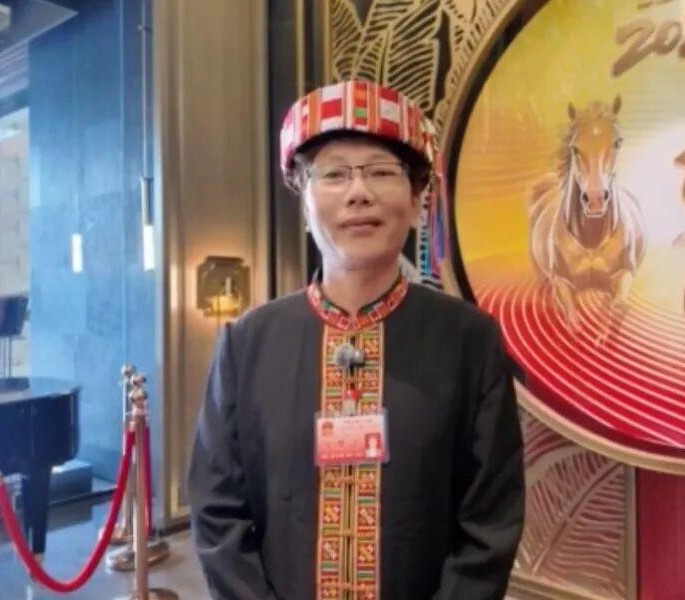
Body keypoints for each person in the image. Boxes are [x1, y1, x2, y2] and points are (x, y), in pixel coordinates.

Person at [187, 79, 525, 600]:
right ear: (304, 204)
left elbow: (490, 518)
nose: (358, 192)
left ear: (416, 200)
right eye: (334, 174)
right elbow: (217, 512)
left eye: (382, 171)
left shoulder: (469, 341)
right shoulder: (246, 344)